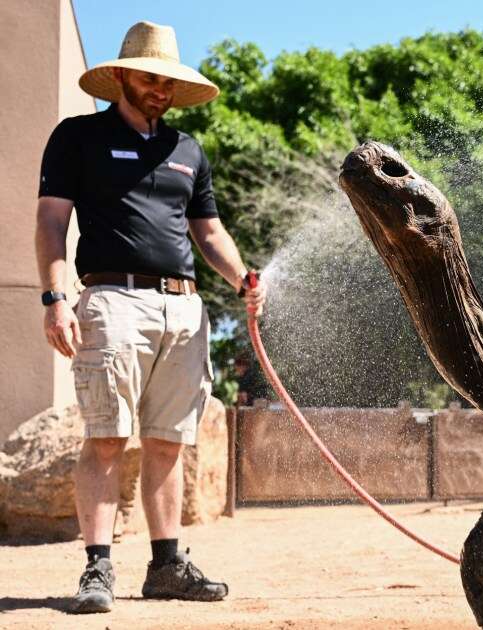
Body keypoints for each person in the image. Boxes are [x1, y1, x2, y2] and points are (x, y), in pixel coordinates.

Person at [34, 21, 265, 614]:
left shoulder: (187, 149)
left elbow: (208, 232)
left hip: (185, 308)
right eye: (148, 79)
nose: (159, 90)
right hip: (112, 302)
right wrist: (55, 298)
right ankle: (98, 569)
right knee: (107, 438)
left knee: (167, 443)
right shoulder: (77, 137)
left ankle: (167, 565)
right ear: (120, 76)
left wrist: (241, 279)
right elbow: (53, 223)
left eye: (167, 82)